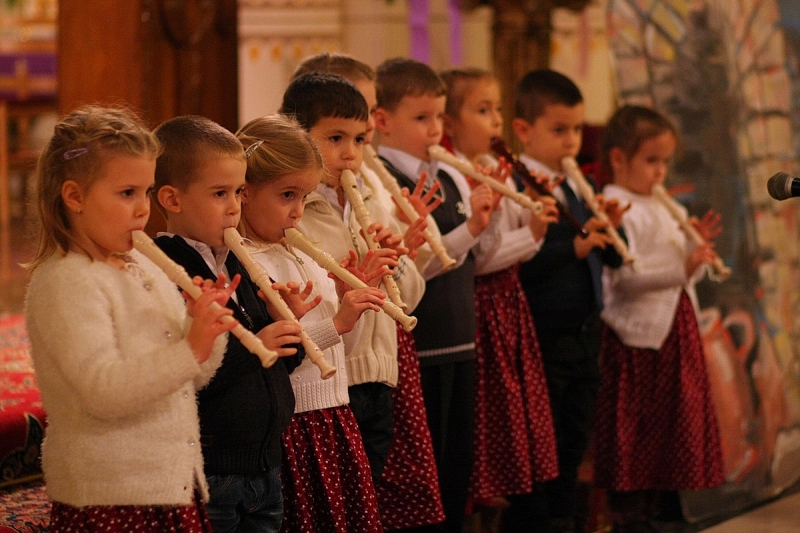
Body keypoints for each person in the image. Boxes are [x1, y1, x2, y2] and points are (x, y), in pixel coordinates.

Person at [25, 105, 235, 532]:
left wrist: (206, 330)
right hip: (112, 496)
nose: (143, 209)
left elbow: (193, 377)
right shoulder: (68, 281)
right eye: (127, 193)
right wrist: (189, 348)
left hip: (170, 484)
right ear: (75, 197)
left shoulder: (143, 265)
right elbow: (104, 391)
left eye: (147, 191)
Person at [291, 52, 446, 530]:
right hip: (334, 381)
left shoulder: (367, 202)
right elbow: (316, 303)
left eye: (359, 140)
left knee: (370, 505)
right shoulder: (300, 210)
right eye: (335, 139)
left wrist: (402, 261)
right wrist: (349, 284)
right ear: (299, 136)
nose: (350, 154)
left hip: (381, 374)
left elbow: (408, 300)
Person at [152, 114, 307, 533]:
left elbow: (278, 367)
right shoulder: (165, 268)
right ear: (172, 198)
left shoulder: (239, 260)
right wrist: (257, 346)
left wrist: (287, 328)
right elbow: (187, 375)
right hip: (213, 468)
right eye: (220, 193)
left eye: (239, 191)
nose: (235, 206)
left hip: (264, 464)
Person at [235, 113, 388, 532]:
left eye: (304, 196)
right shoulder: (248, 263)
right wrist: (335, 323)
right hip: (295, 423)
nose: (298, 211)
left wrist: (344, 297)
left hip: (333, 413)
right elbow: (286, 353)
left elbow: (329, 338)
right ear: (244, 193)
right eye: (287, 195)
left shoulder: (297, 250)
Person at [374, 57, 496, 533]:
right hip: (421, 343)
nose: (434, 130)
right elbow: (425, 261)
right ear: (383, 121)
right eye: (420, 118)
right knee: (422, 478)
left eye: (439, 118)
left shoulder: (451, 176)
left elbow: (466, 258)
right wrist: (469, 231)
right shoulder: (385, 179)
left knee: (455, 469)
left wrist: (484, 225)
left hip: (460, 337)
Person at [505, 69, 627, 533]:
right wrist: (571, 247)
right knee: (543, 440)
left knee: (575, 436)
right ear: (523, 130)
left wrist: (614, 227)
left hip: (584, 331)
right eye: (560, 130)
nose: (572, 141)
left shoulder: (579, 184)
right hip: (543, 331)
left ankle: (561, 517)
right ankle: (536, 521)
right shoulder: (515, 183)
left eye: (577, 129)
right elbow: (518, 263)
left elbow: (612, 257)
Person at [595, 104, 725, 533]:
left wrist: (698, 255)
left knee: (671, 427)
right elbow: (624, 279)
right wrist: (681, 269)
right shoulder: (616, 204)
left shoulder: (664, 205)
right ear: (618, 158)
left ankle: (662, 510)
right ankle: (630, 515)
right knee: (639, 431)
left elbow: (682, 273)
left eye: (665, 162)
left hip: (674, 328)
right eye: (651, 160)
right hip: (639, 338)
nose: (660, 172)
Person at [440, 67, 560, 509]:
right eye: (483, 110)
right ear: (450, 123)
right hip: (482, 304)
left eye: (498, 110)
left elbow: (506, 243)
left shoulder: (494, 168)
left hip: (510, 300)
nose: (496, 121)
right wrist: (532, 232)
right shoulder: (458, 174)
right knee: (485, 417)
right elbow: (482, 257)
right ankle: (478, 498)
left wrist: (535, 219)